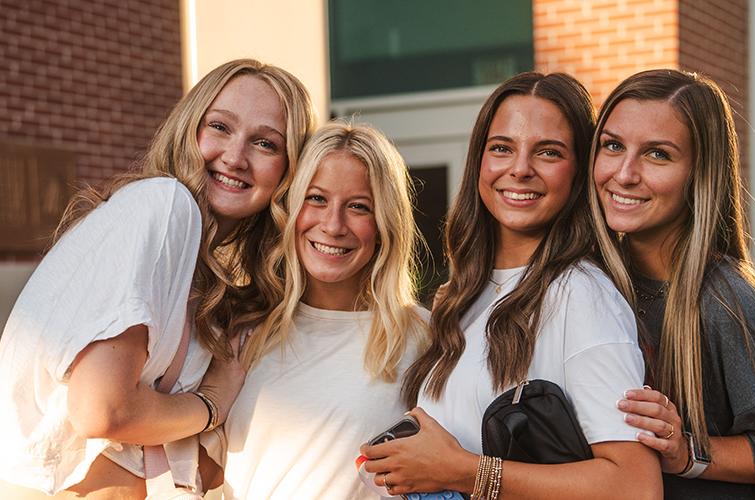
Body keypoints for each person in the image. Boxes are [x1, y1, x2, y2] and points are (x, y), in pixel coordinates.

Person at [0, 59, 317, 499]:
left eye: (264, 143)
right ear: (190, 128)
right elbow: (102, 411)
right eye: (220, 127)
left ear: (289, 170)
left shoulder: (199, 271)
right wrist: (211, 404)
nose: (235, 156)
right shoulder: (165, 204)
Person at [360, 72, 662, 499]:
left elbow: (635, 487)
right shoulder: (465, 295)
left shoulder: (581, 294)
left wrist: (464, 472)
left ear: (579, 172)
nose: (519, 169)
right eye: (502, 148)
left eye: (549, 152)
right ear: (479, 160)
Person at [591, 69, 755, 499]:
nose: (625, 173)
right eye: (612, 146)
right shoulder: (593, 284)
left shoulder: (729, 301)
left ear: (699, 173)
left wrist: (686, 450)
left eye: (658, 155)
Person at [199, 120, 430, 499]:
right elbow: (203, 471)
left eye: (358, 206)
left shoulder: (424, 338)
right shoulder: (240, 326)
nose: (333, 225)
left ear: (386, 221)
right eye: (317, 198)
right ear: (290, 207)